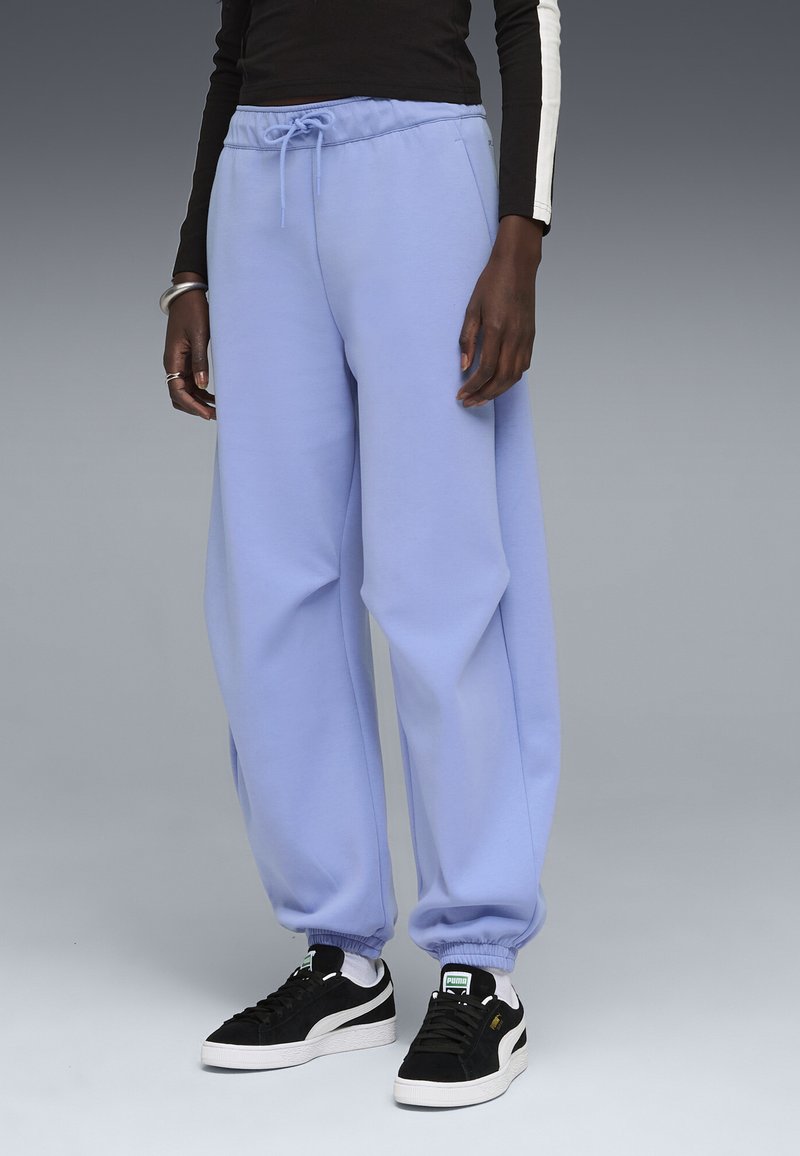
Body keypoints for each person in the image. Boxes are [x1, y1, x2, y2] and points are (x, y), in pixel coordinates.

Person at [160, 0, 562, 1108]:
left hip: (415, 165)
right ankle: (342, 958)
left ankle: (480, 963)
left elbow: (529, 21)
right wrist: (190, 267)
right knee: (274, 582)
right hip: (258, 181)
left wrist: (519, 236)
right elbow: (234, 44)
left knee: (442, 571)